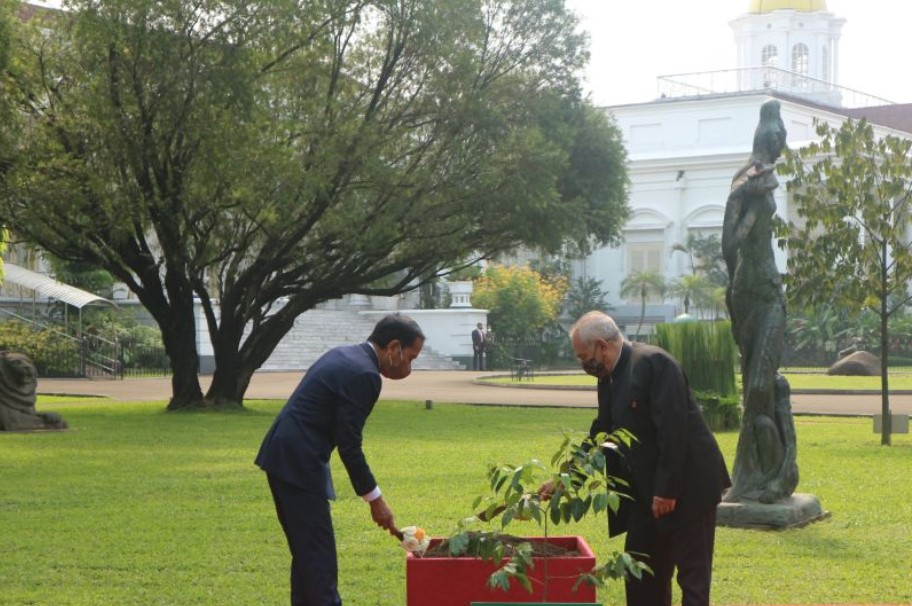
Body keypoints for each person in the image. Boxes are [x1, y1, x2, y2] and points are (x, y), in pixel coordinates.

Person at [541, 311, 730, 606]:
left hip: (688, 486)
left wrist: (667, 490)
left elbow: (673, 430)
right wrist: (567, 478)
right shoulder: (609, 378)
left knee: (692, 579)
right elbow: (602, 433)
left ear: (602, 346)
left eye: (582, 356)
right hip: (646, 491)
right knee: (640, 574)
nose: (581, 363)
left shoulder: (654, 364)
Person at [255, 314, 425, 606]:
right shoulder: (366, 375)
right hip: (299, 462)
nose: (409, 368)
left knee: (308, 556)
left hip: (284, 455)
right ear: (393, 348)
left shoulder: (345, 355)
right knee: (318, 560)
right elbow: (349, 445)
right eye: (410, 358)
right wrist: (376, 500)